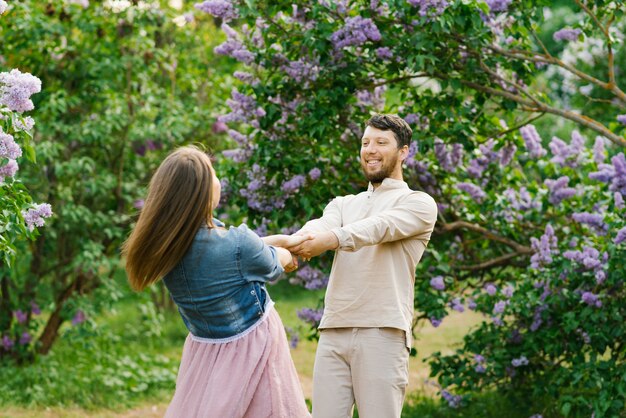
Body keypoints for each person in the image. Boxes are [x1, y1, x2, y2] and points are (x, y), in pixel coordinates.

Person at [122, 146, 312, 418]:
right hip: (253, 350)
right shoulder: (237, 245)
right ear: (200, 191)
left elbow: (240, 253)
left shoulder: (167, 246)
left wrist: (282, 240)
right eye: (212, 172)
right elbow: (271, 263)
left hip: (206, 351)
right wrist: (285, 252)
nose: (218, 179)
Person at [288, 114, 438, 418]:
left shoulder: (418, 203)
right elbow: (318, 227)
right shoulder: (343, 204)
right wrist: (293, 242)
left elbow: (378, 228)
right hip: (333, 329)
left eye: (381, 142)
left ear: (404, 152)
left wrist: (329, 239)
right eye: (365, 142)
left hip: (382, 332)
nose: (370, 149)